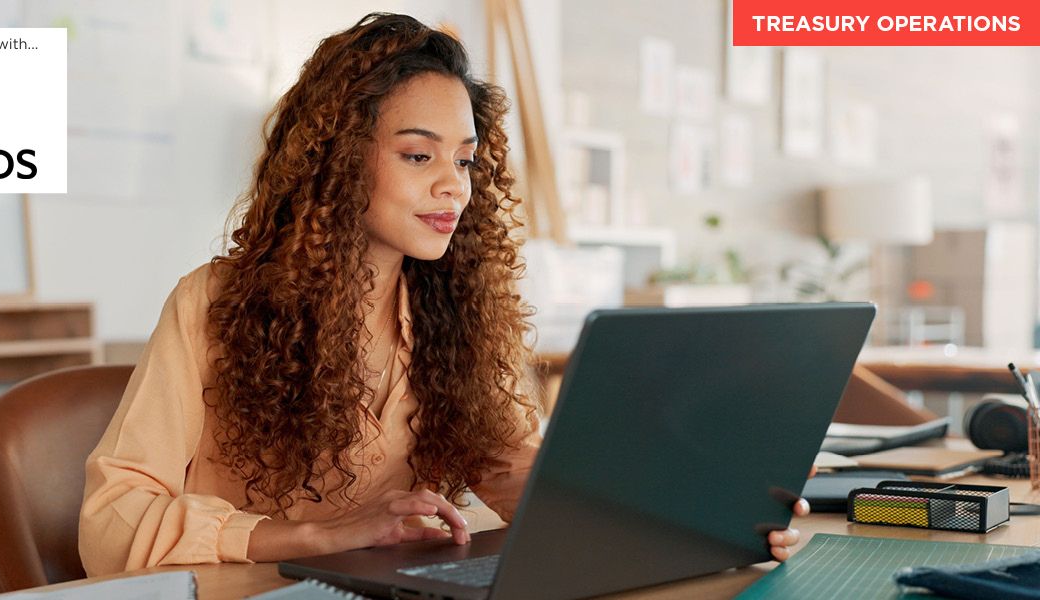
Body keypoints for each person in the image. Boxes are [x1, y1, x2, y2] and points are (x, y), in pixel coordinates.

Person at [78, 12, 808, 576]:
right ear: (337, 161)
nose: (453, 186)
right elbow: (111, 521)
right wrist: (315, 535)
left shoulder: (454, 313)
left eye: (464, 160)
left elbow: (519, 473)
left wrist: (689, 515)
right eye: (418, 155)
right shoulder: (214, 302)